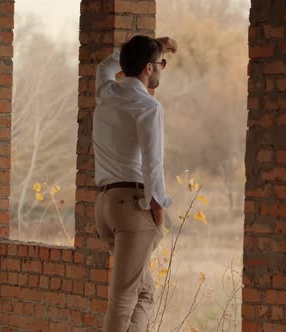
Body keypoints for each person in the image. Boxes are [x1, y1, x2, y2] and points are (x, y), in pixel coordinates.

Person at [92, 35, 178, 332]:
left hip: (104, 207)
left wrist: (152, 45)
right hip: (133, 207)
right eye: (161, 63)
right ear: (148, 68)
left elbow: (105, 66)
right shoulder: (148, 106)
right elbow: (152, 164)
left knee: (144, 292)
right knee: (124, 299)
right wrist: (158, 208)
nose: (162, 68)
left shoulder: (106, 93)